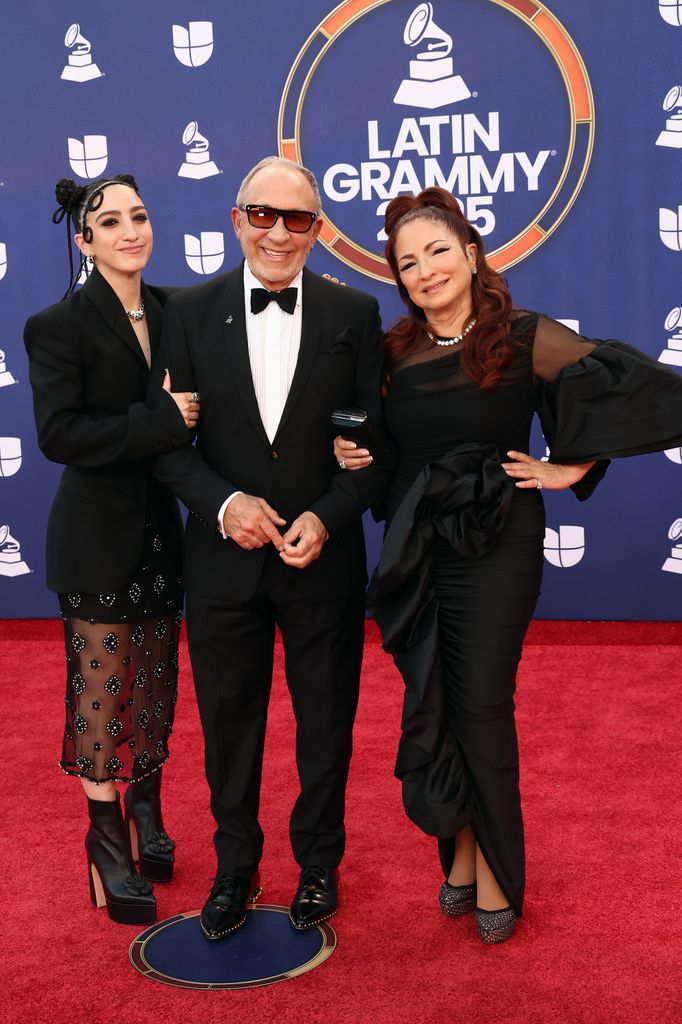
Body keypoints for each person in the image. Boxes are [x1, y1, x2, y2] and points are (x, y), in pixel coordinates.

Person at [334, 187, 682, 944]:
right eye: (407, 262)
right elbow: (383, 457)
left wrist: (571, 466)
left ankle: (497, 870)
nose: (424, 270)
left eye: (435, 251)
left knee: (482, 702)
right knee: (437, 696)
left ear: (469, 253)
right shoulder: (393, 355)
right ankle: (457, 851)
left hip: (499, 542)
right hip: (417, 550)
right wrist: (354, 452)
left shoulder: (522, 337)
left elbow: (632, 387)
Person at [151, 156, 391, 938]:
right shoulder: (184, 312)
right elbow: (168, 444)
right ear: (236, 219)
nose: (278, 233)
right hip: (222, 564)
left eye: (297, 220)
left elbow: (373, 446)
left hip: (322, 559)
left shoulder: (355, 315)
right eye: (263, 214)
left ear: (318, 231)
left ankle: (319, 865)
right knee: (229, 725)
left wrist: (328, 514)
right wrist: (223, 503)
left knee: (326, 721)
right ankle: (235, 868)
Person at [23, 175, 199, 925]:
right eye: (110, 221)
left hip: (163, 535)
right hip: (96, 539)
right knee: (102, 695)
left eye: (140, 215)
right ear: (83, 241)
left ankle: (149, 815)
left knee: (156, 688)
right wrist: (157, 420)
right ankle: (106, 841)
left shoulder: (174, 312)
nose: (131, 230)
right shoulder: (57, 325)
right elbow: (61, 435)